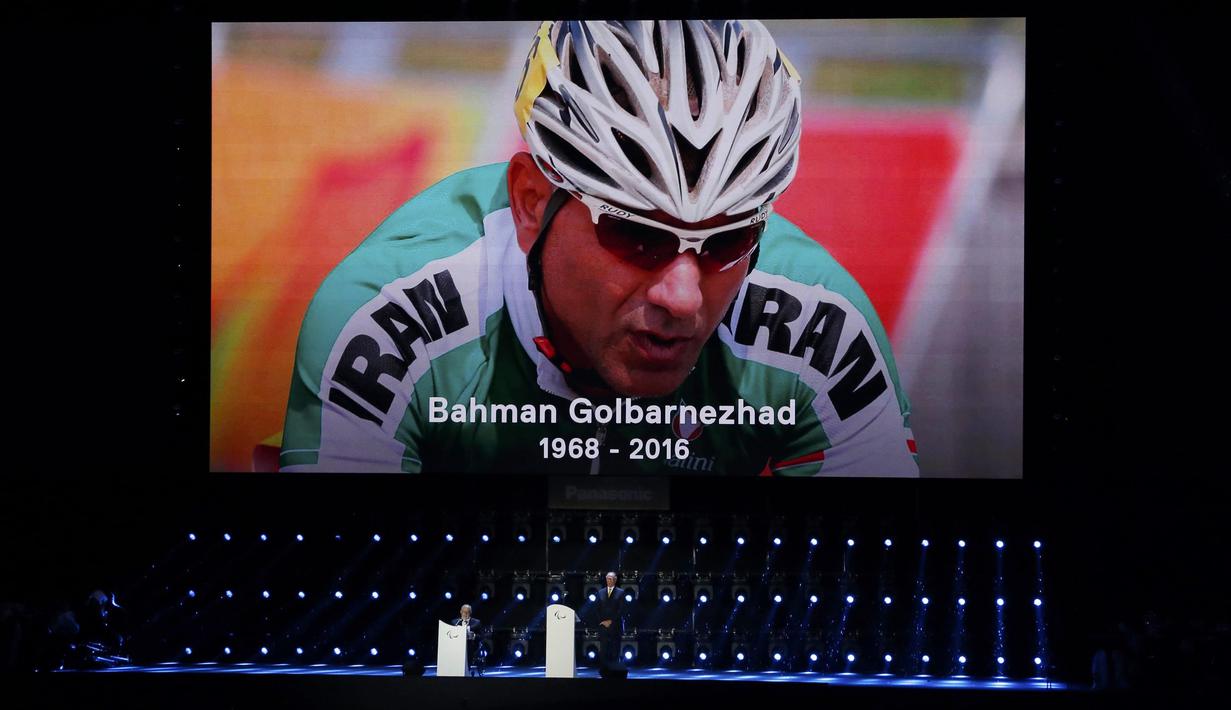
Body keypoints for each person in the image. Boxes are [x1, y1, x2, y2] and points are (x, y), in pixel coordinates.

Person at [280, 20, 918, 477]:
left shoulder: (819, 327)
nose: (683, 296)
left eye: (728, 239)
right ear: (532, 203)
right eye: (637, 234)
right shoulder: (386, 319)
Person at [594, 572, 624, 665]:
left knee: (615, 649)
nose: (609, 581)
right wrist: (602, 621)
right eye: (608, 579)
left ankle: (615, 669)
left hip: (615, 626)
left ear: (615, 580)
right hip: (603, 626)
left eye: (611, 579)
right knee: (604, 649)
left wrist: (611, 621)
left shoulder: (620, 592)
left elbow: (621, 610)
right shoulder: (600, 592)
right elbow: (596, 609)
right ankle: (604, 669)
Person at [450, 604, 481, 675]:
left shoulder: (476, 622)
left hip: (471, 646)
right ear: (460, 612)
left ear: (470, 613)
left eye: (467, 612)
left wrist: (474, 636)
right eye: (464, 612)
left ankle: (467, 671)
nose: (465, 614)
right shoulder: (454, 622)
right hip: (456, 646)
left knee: (469, 651)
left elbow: (481, 636)